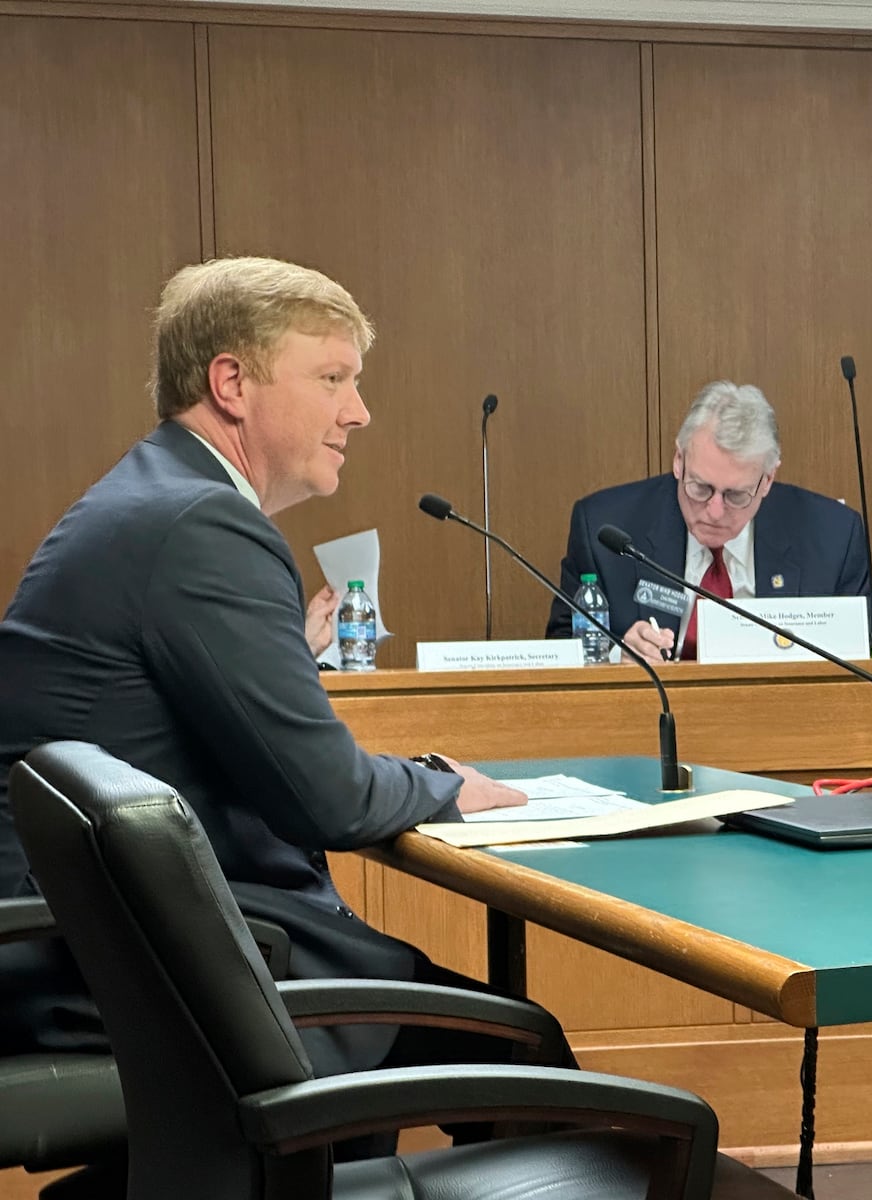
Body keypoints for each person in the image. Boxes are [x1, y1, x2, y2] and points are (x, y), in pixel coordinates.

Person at [0, 257, 572, 1090]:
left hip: (82, 944)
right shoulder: (204, 523)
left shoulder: (149, 497)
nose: (360, 411)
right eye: (333, 377)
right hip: (125, 963)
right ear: (231, 381)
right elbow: (325, 797)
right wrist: (443, 785)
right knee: (525, 1052)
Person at [548, 380, 872, 658]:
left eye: (735, 495)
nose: (715, 512)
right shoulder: (605, 529)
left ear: (768, 480)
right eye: (700, 487)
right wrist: (616, 657)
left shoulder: (832, 536)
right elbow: (563, 651)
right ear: (678, 460)